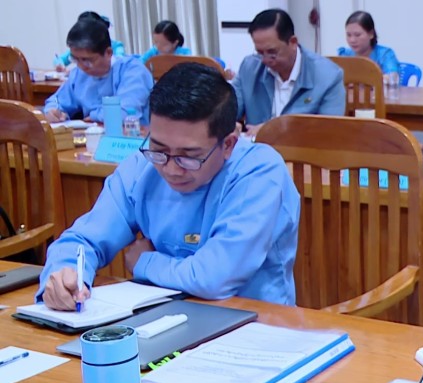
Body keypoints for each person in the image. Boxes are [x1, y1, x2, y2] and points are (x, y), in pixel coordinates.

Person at [36, 62, 301, 309]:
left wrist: (144, 262)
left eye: (189, 156)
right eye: (159, 149)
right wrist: (66, 273)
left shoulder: (259, 172)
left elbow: (214, 277)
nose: (171, 169)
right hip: (164, 314)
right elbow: (84, 238)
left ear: (228, 145)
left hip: (253, 321)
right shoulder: (142, 167)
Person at [232, 9, 345, 136]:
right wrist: (227, 125)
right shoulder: (249, 67)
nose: (265, 60)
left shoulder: (328, 76)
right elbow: (226, 109)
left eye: (272, 52)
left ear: (293, 43)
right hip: (255, 147)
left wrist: (273, 130)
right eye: (260, 52)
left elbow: (330, 132)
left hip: (302, 148)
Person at [43, 18, 153, 125]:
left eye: (86, 60)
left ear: (108, 53)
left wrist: (94, 116)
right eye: (75, 59)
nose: (81, 66)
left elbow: (123, 113)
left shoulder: (133, 70)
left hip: (132, 135)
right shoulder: (78, 74)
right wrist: (53, 111)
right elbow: (56, 100)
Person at [54, 11, 125, 72]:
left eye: (86, 60)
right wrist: (60, 65)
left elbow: (119, 60)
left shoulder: (116, 46)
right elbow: (60, 59)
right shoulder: (78, 50)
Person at [337, 11, 400, 78]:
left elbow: (393, 77)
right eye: (348, 35)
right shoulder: (345, 55)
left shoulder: (384, 54)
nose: (352, 40)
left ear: (371, 34)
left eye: (357, 35)